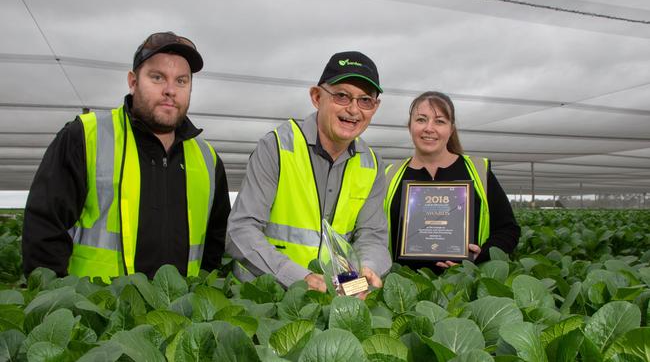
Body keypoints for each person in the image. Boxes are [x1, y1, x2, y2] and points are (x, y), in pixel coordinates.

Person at [22, 32, 231, 281]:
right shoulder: (86, 136)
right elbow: (44, 231)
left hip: (178, 316)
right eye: (157, 77)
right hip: (98, 313)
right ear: (133, 82)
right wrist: (60, 303)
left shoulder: (208, 159)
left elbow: (215, 244)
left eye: (181, 81)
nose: (170, 90)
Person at [227, 51, 391, 293]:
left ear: (375, 107)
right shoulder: (277, 147)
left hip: (332, 300)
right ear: (316, 97)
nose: (354, 110)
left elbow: (372, 236)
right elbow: (241, 230)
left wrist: (367, 268)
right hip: (264, 297)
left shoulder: (372, 164)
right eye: (342, 96)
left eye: (365, 100)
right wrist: (298, 277)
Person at [384, 91, 519, 271]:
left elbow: (508, 229)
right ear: (410, 126)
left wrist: (483, 254)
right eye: (421, 120)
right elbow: (371, 234)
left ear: (451, 129)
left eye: (440, 121)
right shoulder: (389, 175)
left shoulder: (478, 171)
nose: (429, 128)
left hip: (465, 288)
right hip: (402, 288)